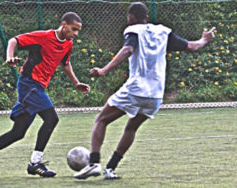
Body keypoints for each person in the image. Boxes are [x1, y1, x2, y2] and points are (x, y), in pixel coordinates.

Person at [74, 2, 215, 179]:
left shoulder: (133, 30)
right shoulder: (164, 32)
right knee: (131, 128)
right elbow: (192, 46)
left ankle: (94, 163)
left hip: (135, 89)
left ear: (130, 18)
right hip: (155, 95)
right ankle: (110, 169)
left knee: (101, 120)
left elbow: (127, 50)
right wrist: (205, 39)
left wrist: (104, 70)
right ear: (147, 18)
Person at [0, 12, 90, 178]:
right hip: (29, 84)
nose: (75, 33)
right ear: (64, 24)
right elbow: (14, 40)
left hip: (38, 87)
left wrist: (76, 83)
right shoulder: (43, 37)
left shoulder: (68, 44)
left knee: (18, 132)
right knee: (51, 118)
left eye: (78, 31)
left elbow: (65, 63)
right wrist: (9, 57)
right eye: (73, 29)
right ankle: (35, 163)